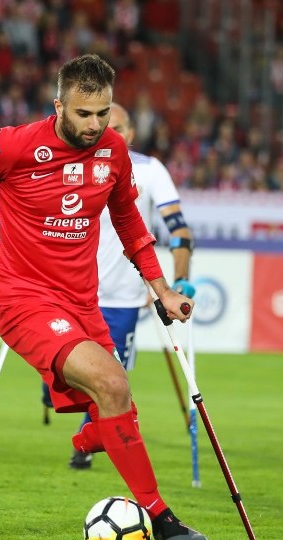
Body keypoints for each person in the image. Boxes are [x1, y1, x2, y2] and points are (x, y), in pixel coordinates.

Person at [0, 54, 209, 540]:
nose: (95, 124)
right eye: (84, 114)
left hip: (83, 303)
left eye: (103, 113)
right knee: (114, 384)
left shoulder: (114, 151)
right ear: (59, 105)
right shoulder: (14, 143)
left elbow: (130, 225)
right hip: (22, 299)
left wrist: (163, 289)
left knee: (121, 410)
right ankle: (161, 520)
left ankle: (87, 441)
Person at [65, 102, 195, 470]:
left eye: (117, 128)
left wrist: (179, 279)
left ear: (131, 134)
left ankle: (85, 443)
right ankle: (64, 409)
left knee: (111, 375)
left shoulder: (151, 171)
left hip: (122, 297)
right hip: (71, 290)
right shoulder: (76, 162)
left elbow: (180, 230)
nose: (109, 134)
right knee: (63, 377)